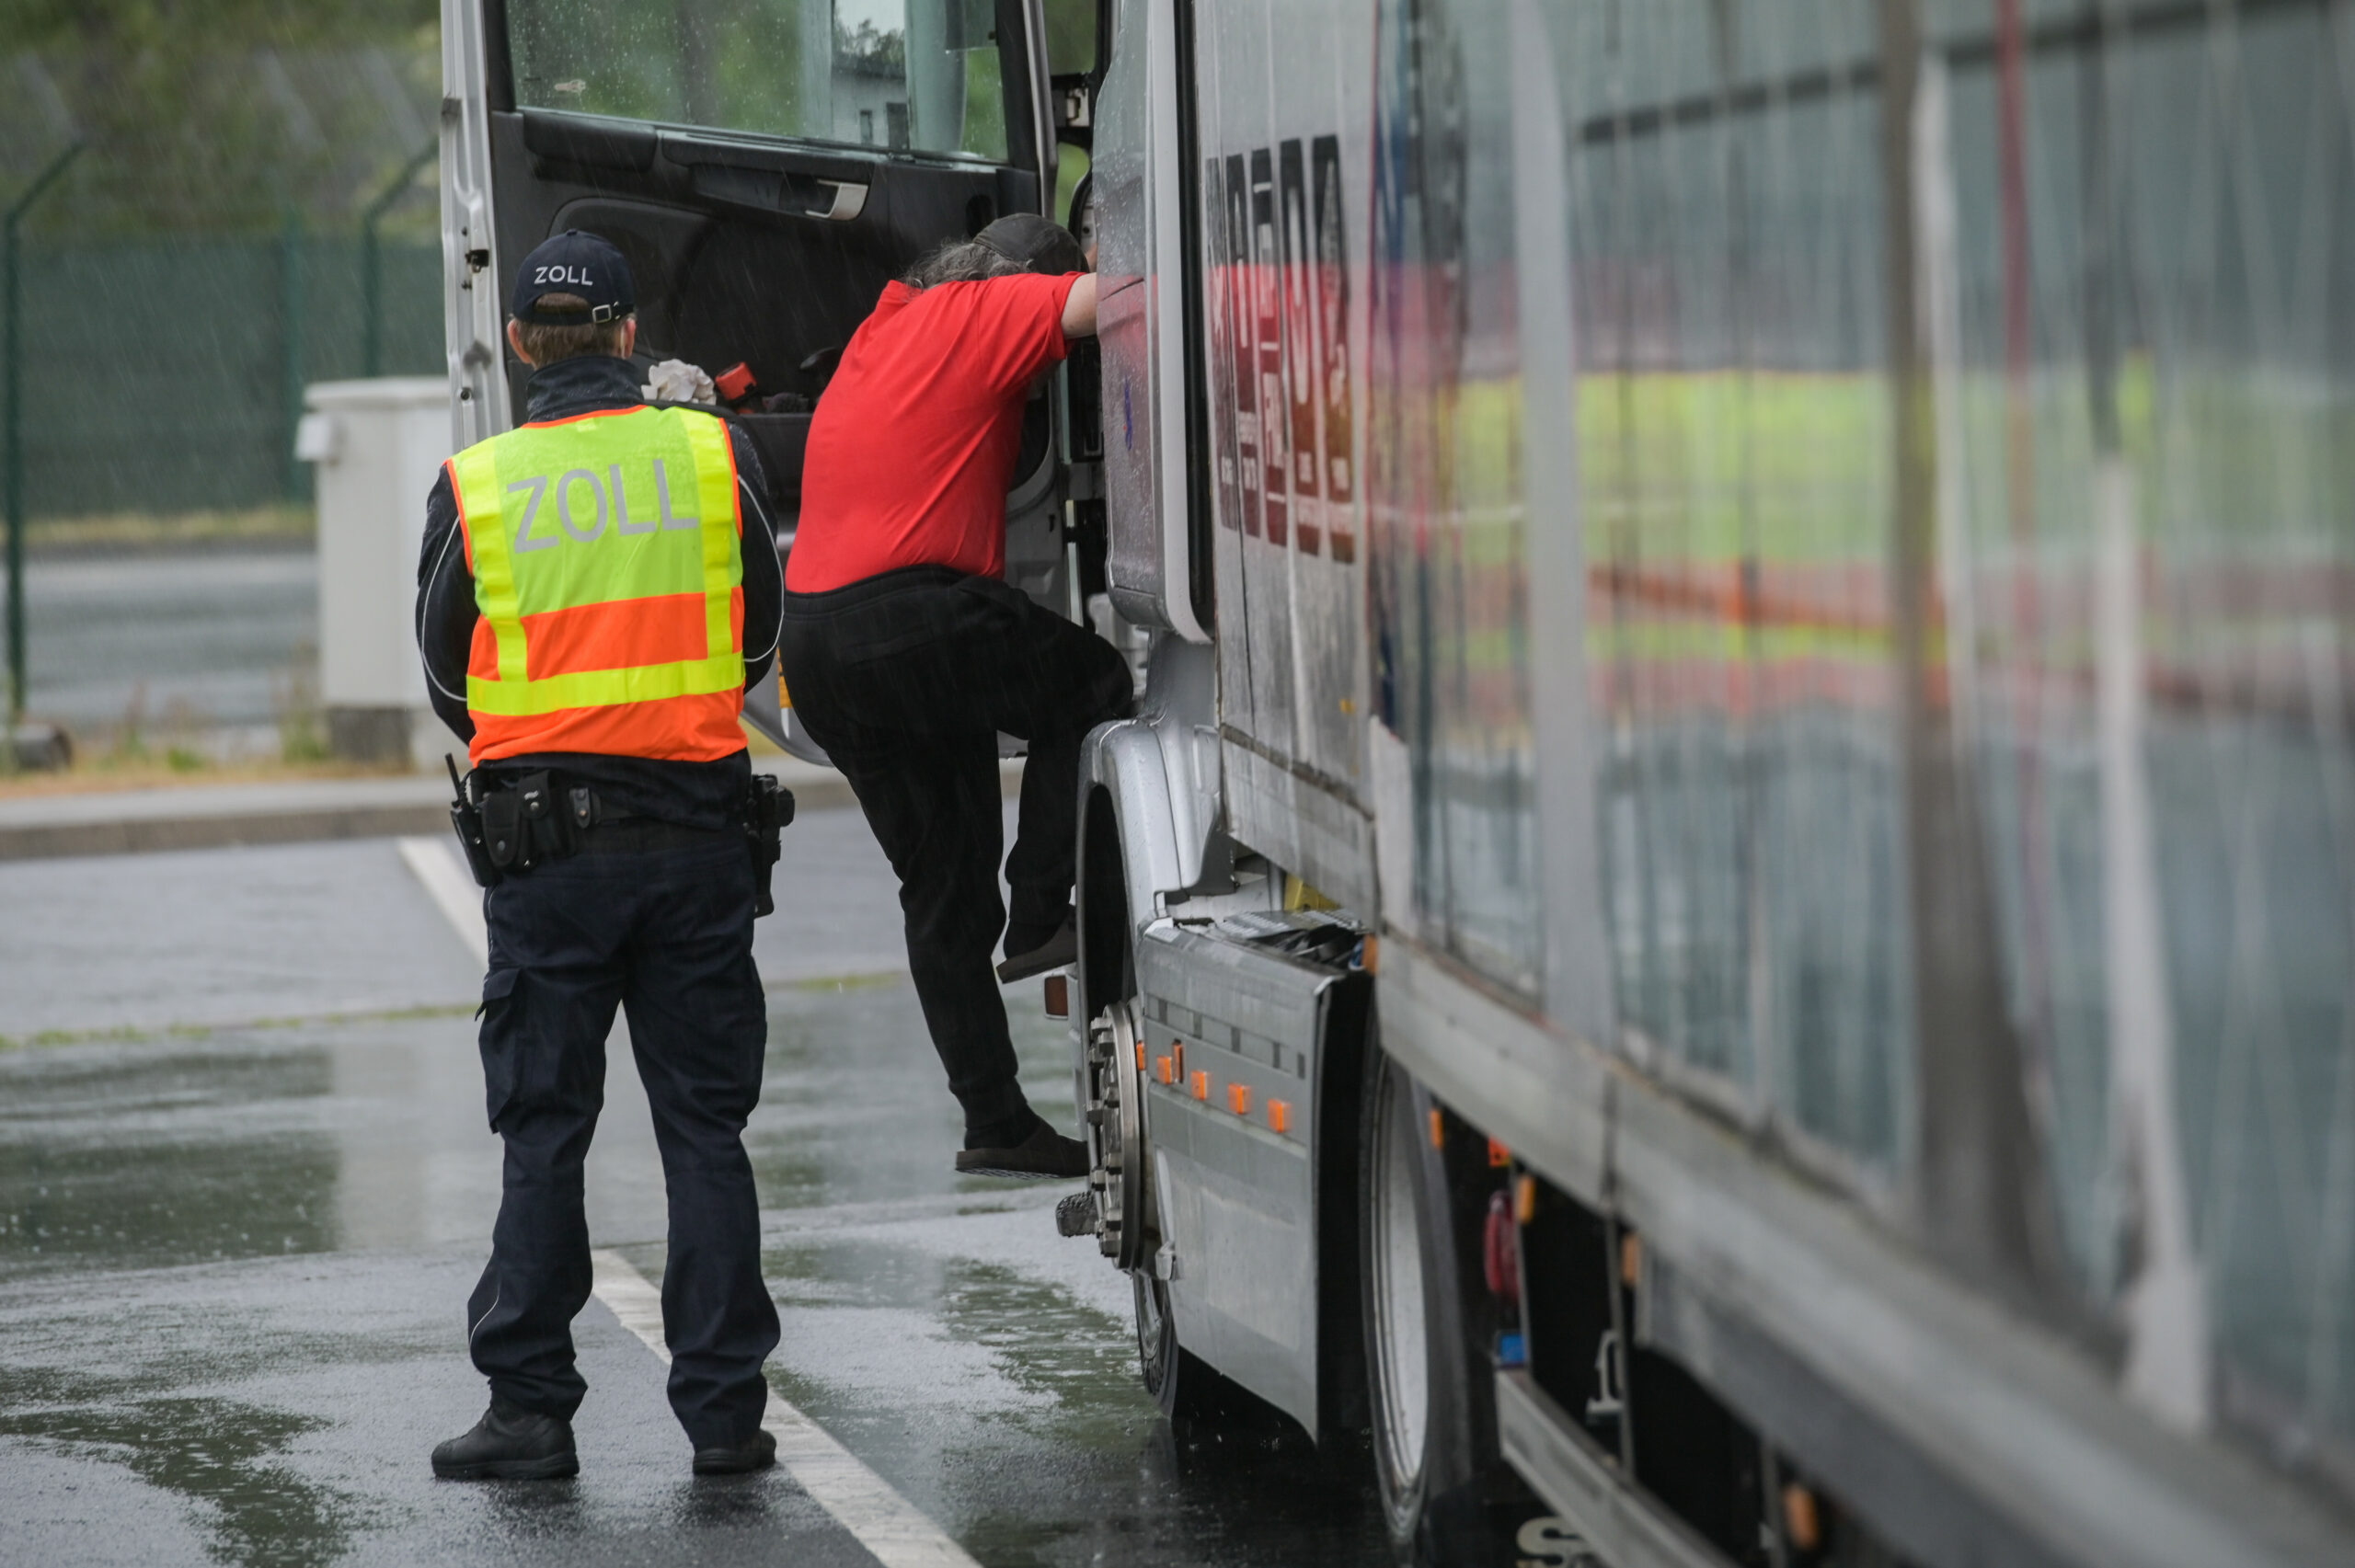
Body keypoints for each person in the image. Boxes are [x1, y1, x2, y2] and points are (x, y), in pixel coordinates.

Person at [414, 230, 787, 1482]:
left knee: (545, 1133)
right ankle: (726, 1418)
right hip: (696, 838)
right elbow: (753, 643)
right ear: (630, 336)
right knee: (704, 1132)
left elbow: (441, 668)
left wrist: (541, 736)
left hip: (547, 857)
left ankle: (529, 1413)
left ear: (520, 344)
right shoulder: (709, 454)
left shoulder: (480, 483)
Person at [778, 214, 1129, 1182]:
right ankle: (1044, 911)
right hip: (908, 615)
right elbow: (1111, 302)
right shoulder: (987, 309)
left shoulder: (882, 329)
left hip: (815, 643)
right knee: (1093, 683)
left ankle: (996, 1122)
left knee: (940, 897)